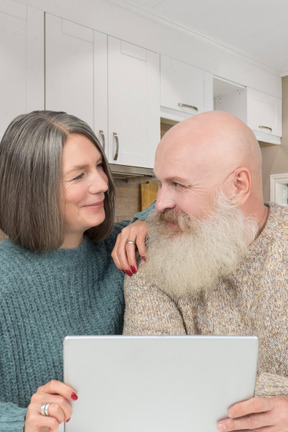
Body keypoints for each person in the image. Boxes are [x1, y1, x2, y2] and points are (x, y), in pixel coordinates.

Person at [119, 111, 288, 432]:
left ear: (238, 186)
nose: (160, 203)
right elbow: (155, 378)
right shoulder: (150, 258)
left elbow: (195, 387)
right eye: (159, 182)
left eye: (178, 184)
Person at [0, 110, 149, 432]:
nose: (103, 184)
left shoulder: (116, 246)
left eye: (99, 166)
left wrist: (144, 222)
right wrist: (20, 419)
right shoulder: (4, 277)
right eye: (79, 175)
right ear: (33, 189)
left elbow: (180, 197)